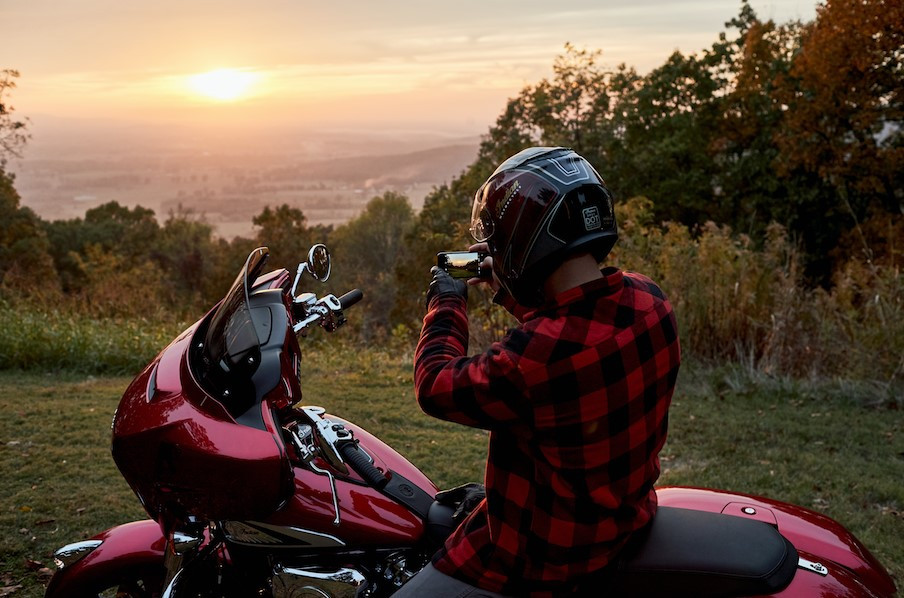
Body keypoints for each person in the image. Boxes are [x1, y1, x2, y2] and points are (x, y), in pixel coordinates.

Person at [399, 147, 680, 597]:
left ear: (524, 237)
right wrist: (510, 292)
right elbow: (571, 335)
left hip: (540, 558)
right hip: (620, 521)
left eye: (499, 235)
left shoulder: (533, 358)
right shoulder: (649, 300)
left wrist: (448, 299)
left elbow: (434, 385)